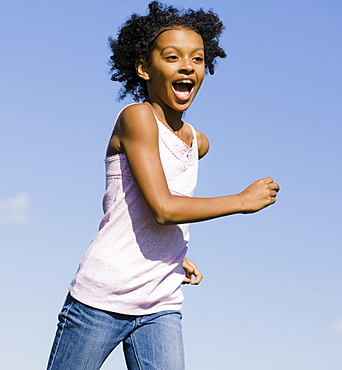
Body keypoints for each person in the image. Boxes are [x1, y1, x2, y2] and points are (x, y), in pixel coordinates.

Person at [47, 1, 280, 369]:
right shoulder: (136, 118)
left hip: (160, 301)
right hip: (101, 298)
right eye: (172, 57)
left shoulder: (197, 142)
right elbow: (163, 208)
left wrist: (172, 252)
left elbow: (148, 210)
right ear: (144, 68)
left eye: (198, 59)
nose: (187, 66)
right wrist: (241, 200)